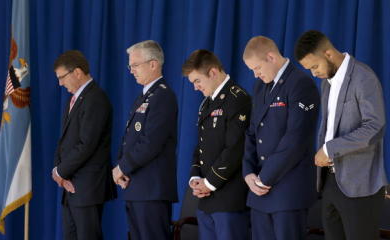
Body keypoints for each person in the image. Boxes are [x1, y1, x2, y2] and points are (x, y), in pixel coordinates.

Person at [295, 30, 388, 240]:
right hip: (330, 183)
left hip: (360, 187)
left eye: (314, 66)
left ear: (328, 54)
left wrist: (329, 149)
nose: (313, 73)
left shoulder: (364, 77)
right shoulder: (326, 82)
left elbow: (375, 126)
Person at [242, 36, 320, 240]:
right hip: (259, 191)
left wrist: (264, 178)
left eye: (257, 67)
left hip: (288, 191)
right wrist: (248, 173)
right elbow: (252, 132)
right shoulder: (260, 87)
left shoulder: (301, 84)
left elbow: (296, 138)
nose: (255, 74)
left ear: (271, 57)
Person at [182, 49, 251, 240]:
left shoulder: (238, 99)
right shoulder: (206, 104)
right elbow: (201, 145)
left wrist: (209, 183)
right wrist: (195, 177)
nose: (195, 87)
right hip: (206, 199)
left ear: (212, 72)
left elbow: (235, 149)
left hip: (229, 199)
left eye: (197, 81)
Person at [112, 40, 178, 240]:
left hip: (152, 189)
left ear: (153, 64)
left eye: (135, 65)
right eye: (130, 66)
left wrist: (122, 167)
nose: (131, 70)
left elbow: (151, 142)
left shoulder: (162, 96)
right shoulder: (144, 97)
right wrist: (122, 168)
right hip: (136, 186)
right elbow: (129, 139)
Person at [52, 50, 116, 240]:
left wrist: (61, 171)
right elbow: (64, 141)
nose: (60, 83)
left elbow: (86, 144)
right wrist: (59, 172)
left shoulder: (95, 99)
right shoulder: (76, 99)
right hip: (71, 185)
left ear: (77, 72)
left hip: (87, 187)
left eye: (62, 77)